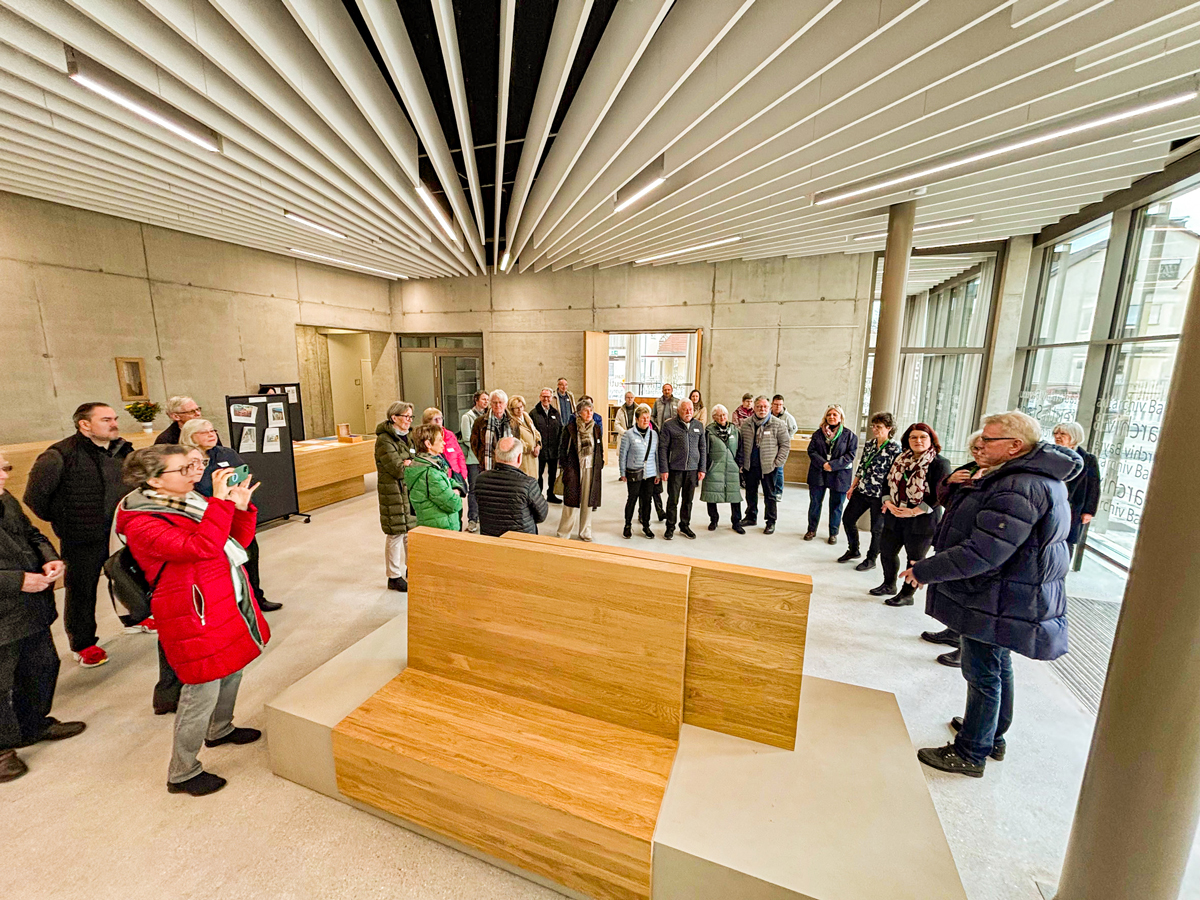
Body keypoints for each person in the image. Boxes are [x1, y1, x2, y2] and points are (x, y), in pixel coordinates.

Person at [907, 411, 1080, 777]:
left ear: (1015, 446)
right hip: (1005, 592)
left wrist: (924, 570)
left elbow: (983, 551)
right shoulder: (1026, 477)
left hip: (996, 592)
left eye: (988, 439)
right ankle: (990, 734)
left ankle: (970, 752)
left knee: (982, 671)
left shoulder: (1018, 486)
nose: (980, 444)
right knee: (997, 665)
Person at [116, 446, 269, 797]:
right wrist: (220, 503)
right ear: (155, 480)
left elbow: (234, 543)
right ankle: (182, 771)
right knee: (201, 687)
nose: (195, 472)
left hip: (220, 597)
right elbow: (202, 547)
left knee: (232, 668)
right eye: (184, 468)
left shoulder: (190, 501)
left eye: (194, 465)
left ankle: (220, 728)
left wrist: (240, 507)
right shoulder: (141, 522)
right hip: (190, 609)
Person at [23, 402, 142, 668]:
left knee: (127, 576)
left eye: (114, 418)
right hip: (82, 536)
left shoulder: (123, 449)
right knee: (82, 590)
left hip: (121, 531)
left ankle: (134, 618)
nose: (114, 424)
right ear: (84, 424)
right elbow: (34, 498)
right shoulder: (58, 455)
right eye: (106, 420)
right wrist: (67, 520)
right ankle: (83, 643)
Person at [0, 452, 85, 784]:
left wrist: (49, 558)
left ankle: (33, 724)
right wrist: (17, 581)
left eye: (5, 468)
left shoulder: (5, 499)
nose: (5, 476)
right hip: (7, 606)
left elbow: (32, 534)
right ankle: (2, 750)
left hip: (28, 607)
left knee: (41, 665)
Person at [178, 418, 280, 612]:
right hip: (206, 517)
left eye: (213, 430)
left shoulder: (226, 453)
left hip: (235, 511)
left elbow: (244, 475)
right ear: (190, 436)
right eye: (205, 432)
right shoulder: (184, 459)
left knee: (249, 554)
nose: (211, 435)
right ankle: (231, 603)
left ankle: (256, 597)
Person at [920, 430, 987, 668]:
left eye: (983, 448)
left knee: (971, 597)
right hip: (953, 534)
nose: (978, 453)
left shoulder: (998, 476)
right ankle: (952, 631)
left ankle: (963, 646)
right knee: (952, 591)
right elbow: (946, 499)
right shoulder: (969, 468)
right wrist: (949, 482)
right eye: (975, 449)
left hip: (973, 542)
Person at [870, 423, 951, 606]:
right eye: (913, 437)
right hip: (895, 514)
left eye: (923, 437)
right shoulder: (900, 458)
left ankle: (907, 595)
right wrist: (888, 502)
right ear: (907, 440)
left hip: (922, 519)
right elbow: (886, 483)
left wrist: (913, 511)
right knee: (887, 551)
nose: (918, 441)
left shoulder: (940, 463)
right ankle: (889, 585)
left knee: (914, 559)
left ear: (931, 440)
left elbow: (940, 494)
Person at [838, 412, 901, 569]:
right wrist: (853, 486)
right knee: (848, 519)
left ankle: (871, 559)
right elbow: (862, 467)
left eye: (879, 427)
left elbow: (896, 477)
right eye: (873, 426)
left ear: (889, 428)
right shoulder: (870, 444)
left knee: (876, 529)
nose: (874, 429)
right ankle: (853, 549)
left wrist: (890, 499)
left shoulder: (895, 449)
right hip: (863, 489)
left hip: (880, 495)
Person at [375, 401, 416, 592]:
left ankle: (412, 568)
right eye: (406, 416)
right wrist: (407, 463)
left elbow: (417, 460)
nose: (409, 420)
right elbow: (397, 468)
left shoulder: (409, 436)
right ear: (394, 418)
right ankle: (393, 576)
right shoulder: (384, 440)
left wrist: (409, 463)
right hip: (392, 491)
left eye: (410, 416)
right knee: (395, 534)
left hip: (408, 490)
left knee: (409, 532)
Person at [736, 396, 790, 534]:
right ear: (754, 408)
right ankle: (751, 517)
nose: (762, 409)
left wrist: (778, 463)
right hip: (750, 466)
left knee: (770, 495)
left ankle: (771, 521)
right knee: (750, 493)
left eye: (765, 406)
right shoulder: (746, 424)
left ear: (769, 408)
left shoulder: (778, 424)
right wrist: (741, 463)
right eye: (759, 406)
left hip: (769, 467)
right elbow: (741, 445)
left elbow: (785, 445)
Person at [475, 436, 548, 537]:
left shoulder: (480, 479)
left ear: (496, 455)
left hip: (490, 538)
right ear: (519, 457)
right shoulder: (528, 484)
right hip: (521, 540)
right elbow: (542, 515)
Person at [805, 404, 858, 544]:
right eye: (829, 414)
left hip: (839, 474)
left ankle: (833, 533)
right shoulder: (818, 434)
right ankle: (811, 530)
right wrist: (824, 464)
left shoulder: (849, 435)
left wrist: (832, 465)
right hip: (819, 471)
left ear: (840, 417)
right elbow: (811, 451)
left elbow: (850, 455)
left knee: (836, 505)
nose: (832, 417)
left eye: (835, 414)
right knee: (815, 503)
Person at [658, 399, 707, 540]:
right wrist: (664, 469)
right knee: (673, 500)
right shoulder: (669, 425)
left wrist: (702, 468)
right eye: (685, 409)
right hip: (675, 469)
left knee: (688, 500)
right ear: (678, 411)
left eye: (691, 409)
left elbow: (703, 448)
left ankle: (685, 526)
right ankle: (670, 527)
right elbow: (663, 448)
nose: (688, 412)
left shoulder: (698, 426)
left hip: (692, 470)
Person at [557, 398, 604, 542]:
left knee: (587, 502)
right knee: (570, 502)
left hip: (590, 469)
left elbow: (599, 449)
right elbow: (562, 449)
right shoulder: (570, 428)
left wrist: (600, 464)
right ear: (579, 413)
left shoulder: (596, 428)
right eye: (586, 411)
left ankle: (585, 531)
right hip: (574, 469)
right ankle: (564, 532)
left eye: (591, 410)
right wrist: (565, 467)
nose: (589, 413)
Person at [1053, 421, 1101, 555]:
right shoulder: (1051, 454)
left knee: (1068, 541)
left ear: (1074, 437)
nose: (1057, 436)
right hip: (1052, 504)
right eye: (1056, 433)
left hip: (1073, 507)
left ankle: (1063, 566)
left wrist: (1088, 511)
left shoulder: (1088, 459)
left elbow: (1094, 486)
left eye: (1063, 434)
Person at [404, 424, 463, 531]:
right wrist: (456, 492)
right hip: (442, 528)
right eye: (440, 440)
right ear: (428, 444)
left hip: (431, 525)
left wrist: (453, 486)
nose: (444, 443)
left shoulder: (424, 466)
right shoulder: (431, 473)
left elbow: (446, 481)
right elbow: (454, 504)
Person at [617, 404, 659, 540]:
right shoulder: (628, 434)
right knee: (632, 499)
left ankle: (646, 525)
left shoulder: (654, 435)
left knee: (647, 501)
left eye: (648, 417)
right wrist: (622, 472)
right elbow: (623, 455)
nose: (646, 420)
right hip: (634, 472)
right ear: (636, 419)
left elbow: (656, 455)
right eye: (643, 418)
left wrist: (658, 473)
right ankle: (627, 525)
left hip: (650, 473)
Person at [701, 405, 744, 534]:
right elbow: (705, 450)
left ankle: (736, 522)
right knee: (711, 495)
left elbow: (740, 448)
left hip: (732, 468)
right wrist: (706, 467)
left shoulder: (735, 430)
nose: (722, 417)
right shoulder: (709, 431)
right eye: (719, 415)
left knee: (735, 496)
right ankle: (713, 520)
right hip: (714, 468)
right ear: (714, 417)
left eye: (724, 414)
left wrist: (738, 464)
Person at [422, 408, 469, 497]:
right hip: (439, 478)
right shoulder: (425, 437)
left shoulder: (449, 434)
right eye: (435, 419)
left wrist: (463, 473)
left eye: (440, 418)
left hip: (455, 475)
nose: (438, 422)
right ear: (427, 422)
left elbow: (459, 455)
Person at [460, 390, 489, 533]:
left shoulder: (488, 417)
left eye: (487, 399)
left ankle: (485, 517)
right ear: (476, 400)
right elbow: (467, 438)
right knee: (473, 489)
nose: (486, 402)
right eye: (483, 399)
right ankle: (472, 518)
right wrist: (480, 450)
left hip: (486, 458)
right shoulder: (467, 417)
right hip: (473, 459)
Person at [531, 388, 563, 504]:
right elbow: (532, 432)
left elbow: (560, 430)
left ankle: (551, 494)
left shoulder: (555, 413)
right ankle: (538, 496)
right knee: (538, 474)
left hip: (553, 450)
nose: (546, 399)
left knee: (552, 474)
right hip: (540, 450)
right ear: (540, 397)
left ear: (551, 398)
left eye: (548, 397)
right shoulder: (533, 413)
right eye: (543, 396)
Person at [471, 390, 513, 473]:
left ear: (506, 404)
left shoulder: (513, 422)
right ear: (490, 404)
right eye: (495, 402)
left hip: (508, 464)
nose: (498, 405)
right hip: (487, 465)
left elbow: (516, 443)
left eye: (500, 402)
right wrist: (482, 458)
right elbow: (474, 444)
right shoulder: (480, 422)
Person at [507, 395, 542, 480]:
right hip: (523, 457)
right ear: (512, 409)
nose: (520, 410)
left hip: (533, 457)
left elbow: (536, 432)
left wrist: (538, 445)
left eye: (521, 407)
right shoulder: (511, 422)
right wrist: (530, 448)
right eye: (517, 408)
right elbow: (515, 441)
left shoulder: (526, 416)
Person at [770, 394, 798, 498]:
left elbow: (794, 429)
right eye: (776, 404)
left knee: (779, 468)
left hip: (781, 446)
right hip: (770, 446)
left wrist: (786, 438)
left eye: (780, 405)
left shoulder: (788, 417)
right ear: (772, 404)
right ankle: (770, 489)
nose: (778, 407)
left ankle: (778, 491)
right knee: (770, 469)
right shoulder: (768, 415)